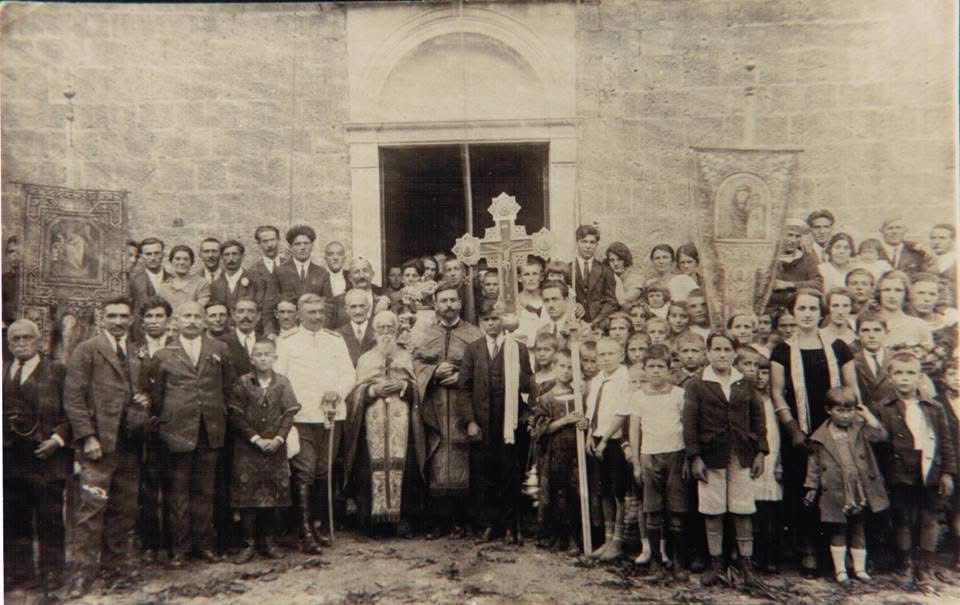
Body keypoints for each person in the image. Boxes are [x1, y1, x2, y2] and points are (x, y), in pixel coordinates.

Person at [64, 297, 150, 598]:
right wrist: (87, 437)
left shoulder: (137, 351)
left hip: (129, 444)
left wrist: (143, 401)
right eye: (112, 315)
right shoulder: (87, 350)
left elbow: (143, 390)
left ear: (132, 318)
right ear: (102, 318)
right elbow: (73, 398)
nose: (117, 321)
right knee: (90, 509)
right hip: (99, 444)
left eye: (123, 316)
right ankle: (81, 574)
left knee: (124, 509)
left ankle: (115, 570)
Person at [770, 288, 857, 576]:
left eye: (812, 309)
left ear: (822, 313)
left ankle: (830, 553)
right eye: (801, 308)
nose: (807, 314)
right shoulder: (782, 350)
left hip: (834, 428)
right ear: (793, 312)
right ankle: (807, 550)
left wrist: (839, 425)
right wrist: (793, 428)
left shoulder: (839, 347)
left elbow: (851, 390)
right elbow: (777, 393)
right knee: (802, 488)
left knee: (832, 488)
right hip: (800, 432)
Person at [145, 301, 236, 566]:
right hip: (177, 432)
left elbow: (228, 388)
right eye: (187, 315)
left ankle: (205, 545)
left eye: (198, 316)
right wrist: (166, 425)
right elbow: (156, 396)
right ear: (177, 320)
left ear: (205, 320)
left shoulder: (220, 349)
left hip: (210, 430)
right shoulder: (163, 355)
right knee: (178, 493)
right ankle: (180, 549)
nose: (193, 320)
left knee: (205, 491)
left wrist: (220, 418)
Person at [683, 331, 767, 586]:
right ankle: (716, 564)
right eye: (716, 349)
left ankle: (746, 565)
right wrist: (695, 456)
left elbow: (758, 418)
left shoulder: (745, 383)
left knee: (742, 509)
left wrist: (760, 451)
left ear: (734, 353)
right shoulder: (697, 384)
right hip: (711, 456)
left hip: (741, 454)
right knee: (713, 509)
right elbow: (689, 424)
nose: (722, 354)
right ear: (708, 353)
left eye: (727, 350)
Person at [274, 293, 354, 553]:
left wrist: (338, 392)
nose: (317, 316)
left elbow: (348, 374)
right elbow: (280, 380)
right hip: (301, 417)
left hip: (330, 416)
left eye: (320, 311)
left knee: (324, 470)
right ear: (299, 313)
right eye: (311, 312)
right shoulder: (287, 342)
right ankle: (304, 530)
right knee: (305, 470)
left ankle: (318, 525)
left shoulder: (335, 340)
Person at [342, 310, 426, 536]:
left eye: (391, 328)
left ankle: (403, 520)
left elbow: (418, 388)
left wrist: (404, 387)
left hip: (403, 425)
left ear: (397, 330)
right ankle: (374, 523)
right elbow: (354, 393)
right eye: (382, 328)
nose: (387, 333)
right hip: (372, 424)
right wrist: (372, 390)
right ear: (374, 331)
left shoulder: (407, 357)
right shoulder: (366, 359)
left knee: (405, 467)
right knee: (370, 467)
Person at [3, 320, 72, 595]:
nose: (21, 344)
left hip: (48, 459)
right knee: (14, 518)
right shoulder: (5, 371)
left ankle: (53, 577)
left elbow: (74, 411)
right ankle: (20, 575)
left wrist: (57, 439)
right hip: (11, 459)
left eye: (26, 338)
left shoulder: (57, 371)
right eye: (15, 340)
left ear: (38, 340)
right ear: (8, 345)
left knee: (50, 519)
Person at [876, 352, 956, 583]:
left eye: (910, 373)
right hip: (900, 472)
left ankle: (926, 565)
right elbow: (881, 445)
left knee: (930, 517)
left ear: (919, 376)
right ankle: (905, 563)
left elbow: (945, 442)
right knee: (903, 518)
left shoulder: (934, 407)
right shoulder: (885, 408)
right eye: (898, 373)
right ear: (890, 377)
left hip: (929, 468)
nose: (904, 378)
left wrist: (948, 473)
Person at [460, 300, 536, 543]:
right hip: (483, 422)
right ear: (481, 323)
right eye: (486, 320)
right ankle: (490, 525)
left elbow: (528, 385)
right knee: (486, 473)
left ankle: (513, 525)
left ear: (502, 319)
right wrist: (470, 420)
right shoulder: (473, 350)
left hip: (509, 421)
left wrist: (525, 413)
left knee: (510, 472)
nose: (491, 323)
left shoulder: (518, 348)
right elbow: (464, 388)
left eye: (495, 318)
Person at [411, 283, 483, 538]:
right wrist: (432, 372)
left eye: (453, 300)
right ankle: (438, 521)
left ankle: (463, 520)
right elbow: (415, 364)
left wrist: (463, 377)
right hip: (435, 405)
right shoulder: (423, 334)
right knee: (436, 456)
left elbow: (481, 369)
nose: (449, 305)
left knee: (464, 456)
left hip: (464, 407)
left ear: (460, 304)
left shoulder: (474, 334)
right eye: (443, 301)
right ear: (436, 304)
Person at [803, 386, 889, 584]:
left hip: (859, 488)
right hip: (834, 490)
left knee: (859, 527)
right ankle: (840, 570)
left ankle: (859, 569)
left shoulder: (860, 429)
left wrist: (867, 416)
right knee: (838, 529)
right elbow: (814, 466)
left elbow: (881, 436)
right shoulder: (819, 437)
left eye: (850, 410)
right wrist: (811, 488)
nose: (845, 415)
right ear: (829, 410)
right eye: (840, 411)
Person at [228, 338, 300, 563]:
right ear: (252, 358)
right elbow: (236, 415)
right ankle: (248, 543)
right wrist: (256, 438)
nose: (263, 358)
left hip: (275, 449)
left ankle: (269, 542)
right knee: (248, 496)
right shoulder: (242, 383)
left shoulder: (283, 383)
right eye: (258, 355)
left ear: (275, 357)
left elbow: (289, 413)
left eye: (268, 354)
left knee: (272, 495)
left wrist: (278, 439)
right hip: (248, 448)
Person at [621, 344, 689, 580]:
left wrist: (688, 457)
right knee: (653, 509)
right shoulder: (638, 397)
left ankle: (678, 561)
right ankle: (656, 563)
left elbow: (686, 426)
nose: (656, 371)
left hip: (676, 455)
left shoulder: (679, 394)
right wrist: (638, 464)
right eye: (651, 367)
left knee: (677, 510)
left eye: (661, 366)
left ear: (669, 369)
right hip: (649, 456)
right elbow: (634, 430)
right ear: (644, 369)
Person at [531, 349, 587, 555]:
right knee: (556, 495)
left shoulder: (580, 396)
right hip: (553, 455)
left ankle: (575, 538)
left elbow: (587, 419)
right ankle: (556, 537)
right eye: (562, 366)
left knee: (574, 495)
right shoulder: (546, 398)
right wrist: (565, 420)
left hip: (575, 455)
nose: (566, 371)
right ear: (554, 368)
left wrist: (583, 422)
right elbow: (540, 429)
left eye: (571, 367)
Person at [585, 337, 633, 561]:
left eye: (610, 354)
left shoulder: (625, 378)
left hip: (613, 441)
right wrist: (589, 437)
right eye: (601, 355)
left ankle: (618, 541)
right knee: (603, 490)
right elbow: (592, 410)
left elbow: (622, 412)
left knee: (618, 491)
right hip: (596, 438)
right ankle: (607, 538)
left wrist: (604, 439)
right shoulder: (597, 380)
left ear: (621, 355)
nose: (605, 359)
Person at [134, 296, 174, 564]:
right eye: (149, 317)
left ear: (168, 320)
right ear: (142, 321)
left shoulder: (178, 347)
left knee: (172, 486)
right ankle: (148, 543)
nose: (154, 321)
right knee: (145, 486)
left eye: (159, 316)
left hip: (171, 424)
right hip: (140, 426)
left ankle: (172, 544)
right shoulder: (132, 349)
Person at [745, 352, 782, 573]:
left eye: (765, 372)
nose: (760, 376)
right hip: (751, 460)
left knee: (771, 511)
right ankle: (753, 556)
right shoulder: (745, 398)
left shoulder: (776, 400)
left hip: (773, 457)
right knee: (752, 509)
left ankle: (771, 557)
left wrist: (780, 463)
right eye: (755, 371)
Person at [210, 240, 277, 336]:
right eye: (226, 255)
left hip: (252, 333)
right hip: (225, 336)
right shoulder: (216, 285)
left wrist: (269, 332)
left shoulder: (257, 281)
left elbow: (265, 311)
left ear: (243, 256)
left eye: (235, 254)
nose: (231, 258)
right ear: (221, 258)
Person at [768, 219, 823, 310]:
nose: (793, 240)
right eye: (789, 235)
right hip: (772, 309)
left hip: (800, 309)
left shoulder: (807, 259)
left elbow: (818, 284)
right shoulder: (769, 259)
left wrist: (789, 284)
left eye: (797, 236)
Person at [937, 358, 960, 568]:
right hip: (951, 465)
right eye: (953, 373)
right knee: (955, 509)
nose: (958, 379)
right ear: (943, 378)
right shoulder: (938, 404)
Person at [572, 225, 618, 327]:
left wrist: (594, 323)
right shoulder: (569, 269)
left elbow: (612, 302)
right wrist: (572, 306)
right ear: (577, 243)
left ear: (596, 245)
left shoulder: (605, 270)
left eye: (592, 242)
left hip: (599, 324)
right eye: (584, 241)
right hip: (575, 323)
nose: (588, 246)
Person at [876, 270, 933, 351]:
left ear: (906, 293)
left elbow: (931, 359)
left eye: (898, 290)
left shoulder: (919, 326)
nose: (892, 295)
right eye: (887, 290)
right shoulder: (868, 323)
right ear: (879, 293)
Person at [328, 257, 389, 329]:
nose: (362, 276)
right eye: (356, 272)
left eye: (365, 271)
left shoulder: (383, 302)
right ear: (349, 277)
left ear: (372, 274)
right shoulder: (336, 302)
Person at [275, 225, 332, 302]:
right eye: (298, 244)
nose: (302, 247)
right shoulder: (279, 272)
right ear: (291, 247)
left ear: (312, 245)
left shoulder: (322, 273)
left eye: (306, 243)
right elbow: (272, 302)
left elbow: (329, 304)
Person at [852, 311, 895, 410]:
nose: (871, 335)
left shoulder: (896, 359)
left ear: (886, 333)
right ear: (857, 334)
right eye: (865, 330)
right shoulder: (851, 362)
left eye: (877, 330)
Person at [156, 244, 211, 311]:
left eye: (186, 259)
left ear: (191, 262)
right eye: (177, 259)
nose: (182, 262)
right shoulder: (164, 286)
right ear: (171, 261)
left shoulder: (201, 283)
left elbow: (198, 308)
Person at [336, 288, 377, 367]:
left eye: (362, 306)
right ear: (346, 309)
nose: (358, 311)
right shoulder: (338, 335)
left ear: (368, 307)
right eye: (353, 307)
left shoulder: (378, 331)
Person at [129, 238, 171, 315]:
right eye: (148, 254)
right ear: (141, 257)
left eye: (156, 253)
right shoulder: (133, 281)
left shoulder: (173, 279)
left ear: (163, 254)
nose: (152, 258)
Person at [605, 241, 644, 307]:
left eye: (619, 259)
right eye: (612, 260)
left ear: (625, 260)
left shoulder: (637, 279)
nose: (616, 263)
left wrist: (617, 280)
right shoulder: (609, 278)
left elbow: (623, 302)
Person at [928, 223, 956, 305]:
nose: (936, 242)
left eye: (942, 238)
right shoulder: (927, 262)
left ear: (953, 240)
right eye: (933, 238)